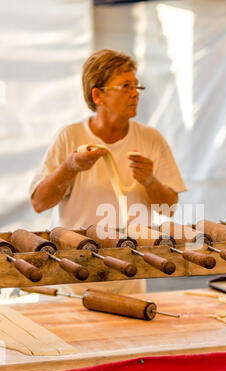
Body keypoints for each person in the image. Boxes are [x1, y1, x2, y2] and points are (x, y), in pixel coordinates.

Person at [30, 49, 187, 294]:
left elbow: (168, 206)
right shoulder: (70, 137)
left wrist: (149, 181)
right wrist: (70, 167)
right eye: (125, 86)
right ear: (98, 95)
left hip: (129, 276)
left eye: (137, 86)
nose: (135, 93)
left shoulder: (150, 138)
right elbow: (39, 202)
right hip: (72, 278)